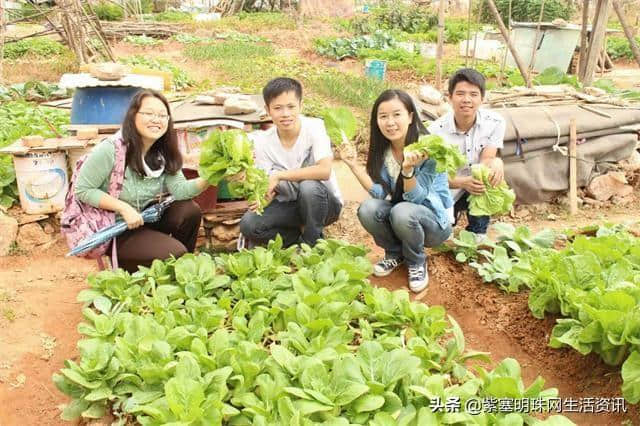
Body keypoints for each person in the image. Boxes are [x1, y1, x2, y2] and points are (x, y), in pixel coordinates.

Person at [74, 90, 211, 272]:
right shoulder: (111, 150)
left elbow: (180, 190)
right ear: (133, 115)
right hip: (117, 228)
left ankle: (174, 273)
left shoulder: (163, 151)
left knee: (189, 211)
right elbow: (83, 190)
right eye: (149, 114)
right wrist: (123, 207)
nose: (156, 119)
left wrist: (212, 177)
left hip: (144, 218)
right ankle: (135, 267)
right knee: (175, 252)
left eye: (162, 115)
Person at [338, 89, 453, 293]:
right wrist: (353, 166)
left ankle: (416, 262)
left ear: (410, 117)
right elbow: (380, 194)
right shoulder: (384, 151)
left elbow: (416, 199)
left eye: (396, 114)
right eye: (383, 116)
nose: (390, 122)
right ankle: (395, 254)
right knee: (367, 209)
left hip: (433, 224)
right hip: (403, 218)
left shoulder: (428, 149)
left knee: (402, 211)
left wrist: (408, 171)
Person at [239, 77, 343, 247]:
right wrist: (261, 199)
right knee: (249, 225)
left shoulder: (315, 127)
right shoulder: (263, 142)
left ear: (301, 106)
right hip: (289, 206)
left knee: (308, 186)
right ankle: (296, 239)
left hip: (324, 205)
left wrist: (279, 176)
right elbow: (268, 188)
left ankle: (312, 243)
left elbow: (324, 170)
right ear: (267, 110)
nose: (285, 114)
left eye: (291, 107)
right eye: (278, 108)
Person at [428, 68, 506, 234]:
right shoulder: (435, 132)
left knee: (487, 177)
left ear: (482, 99)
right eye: (460, 94)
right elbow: (434, 177)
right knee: (441, 232)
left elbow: (487, 157)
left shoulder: (495, 122)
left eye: (473, 94)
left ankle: (478, 233)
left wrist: (496, 162)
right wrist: (463, 182)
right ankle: (446, 224)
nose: (466, 100)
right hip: (449, 187)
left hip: (477, 185)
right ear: (450, 98)